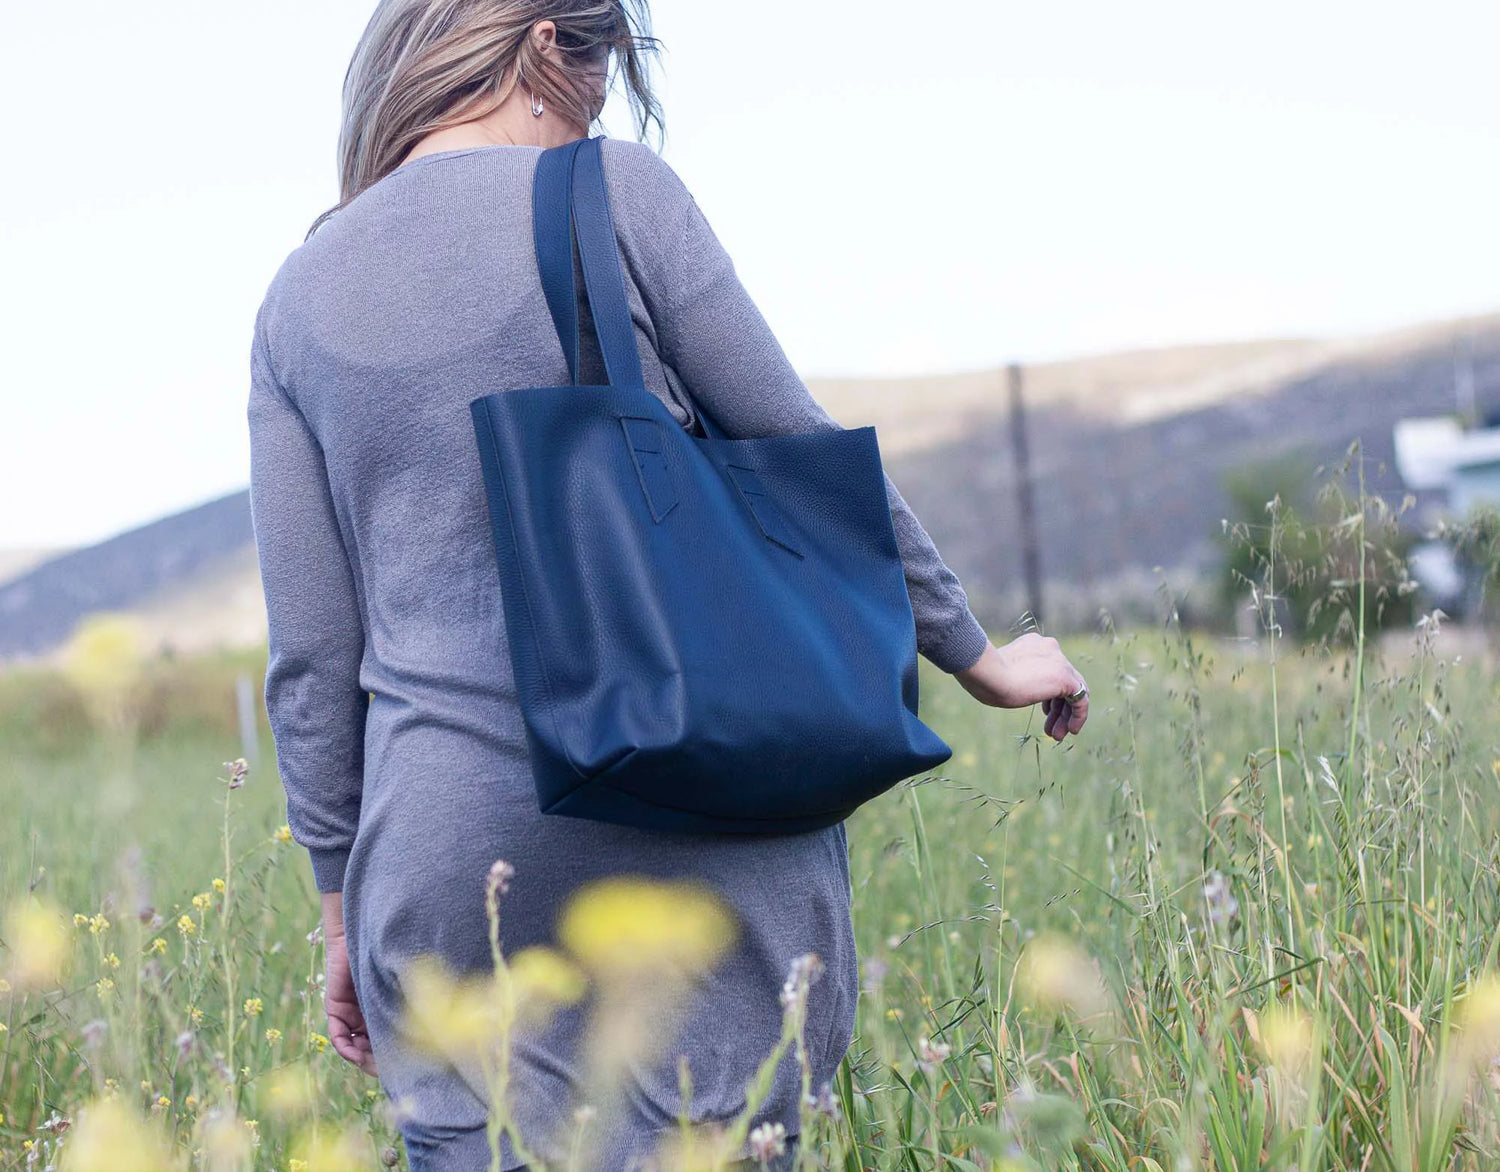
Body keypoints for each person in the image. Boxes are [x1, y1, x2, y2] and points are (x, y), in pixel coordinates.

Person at [246, 2, 1092, 1168]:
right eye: (603, 73)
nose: (596, 111)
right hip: (693, 793)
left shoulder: (296, 297)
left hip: (443, 844)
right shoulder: (615, 192)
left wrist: (339, 905)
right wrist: (977, 652)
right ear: (545, 44)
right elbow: (794, 446)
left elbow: (310, 654)